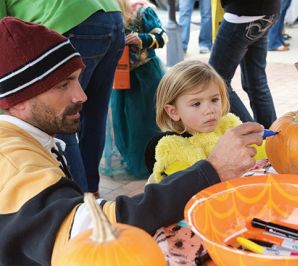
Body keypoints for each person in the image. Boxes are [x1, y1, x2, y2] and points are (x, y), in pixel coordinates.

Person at [0, 17, 264, 265]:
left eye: (78, 80)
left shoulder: (31, 138)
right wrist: (212, 170)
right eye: (63, 85)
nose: (82, 95)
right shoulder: (12, 158)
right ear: (19, 100)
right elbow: (95, 230)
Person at [0, 0, 125, 193]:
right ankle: (90, 194)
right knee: (92, 117)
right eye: (64, 84)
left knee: (58, 119)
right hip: (112, 14)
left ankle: (76, 203)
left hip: (71, 20)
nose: (81, 96)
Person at [145, 60, 267, 183]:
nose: (209, 110)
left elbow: (258, 149)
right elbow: (188, 187)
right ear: (173, 112)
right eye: (196, 104)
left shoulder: (228, 125)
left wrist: (275, 141)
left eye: (214, 100)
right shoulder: (172, 149)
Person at [109, 0, 167, 179]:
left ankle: (147, 161)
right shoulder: (106, 8)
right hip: (118, 76)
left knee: (143, 121)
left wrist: (142, 38)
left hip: (144, 76)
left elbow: (162, 38)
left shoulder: (143, 10)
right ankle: (130, 159)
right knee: (121, 120)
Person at [209, 0, 279, 129]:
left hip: (242, 13)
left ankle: (253, 134)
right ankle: (271, 139)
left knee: (216, 82)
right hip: (266, 12)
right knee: (256, 82)